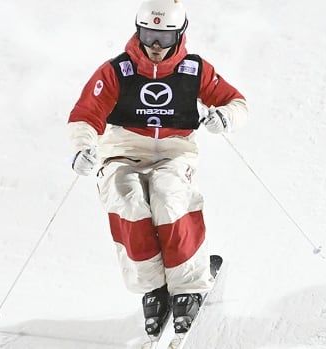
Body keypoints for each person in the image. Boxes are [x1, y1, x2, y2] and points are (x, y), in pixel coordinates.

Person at [67, 0, 248, 337]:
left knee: (168, 194)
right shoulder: (117, 71)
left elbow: (236, 103)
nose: (154, 47)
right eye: (149, 35)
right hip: (123, 150)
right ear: (138, 30)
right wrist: (82, 148)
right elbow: (85, 114)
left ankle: (189, 283)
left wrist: (224, 117)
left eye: (164, 39)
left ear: (179, 36)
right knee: (126, 198)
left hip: (174, 152)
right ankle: (154, 287)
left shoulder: (194, 71)